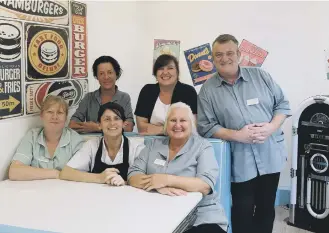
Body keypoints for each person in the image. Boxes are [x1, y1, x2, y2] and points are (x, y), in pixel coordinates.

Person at [197, 34, 291, 233]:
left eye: (230, 53)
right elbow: (206, 126)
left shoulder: (261, 76)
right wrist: (237, 135)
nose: (224, 58)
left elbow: (282, 105)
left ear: (239, 54)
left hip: (269, 155)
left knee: (266, 209)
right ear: (213, 59)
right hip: (238, 161)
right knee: (242, 210)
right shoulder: (207, 90)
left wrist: (271, 127)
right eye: (218, 55)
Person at [128, 102, 228, 233]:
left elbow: (204, 185)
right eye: (173, 120)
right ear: (166, 124)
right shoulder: (153, 145)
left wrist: (166, 180)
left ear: (191, 124)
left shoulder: (202, 146)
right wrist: (159, 187)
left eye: (183, 120)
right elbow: (133, 176)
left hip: (201, 218)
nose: (177, 125)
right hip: (159, 215)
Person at [60, 102, 144, 185]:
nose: (112, 123)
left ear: (124, 124)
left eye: (116, 118)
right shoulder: (91, 145)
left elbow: (145, 178)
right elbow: (66, 173)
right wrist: (99, 178)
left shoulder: (136, 147)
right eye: (107, 119)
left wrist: (125, 182)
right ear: (99, 125)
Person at [9, 96, 84, 181]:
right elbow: (14, 172)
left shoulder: (76, 140)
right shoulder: (32, 136)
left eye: (59, 113)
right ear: (41, 115)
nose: (54, 117)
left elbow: (80, 174)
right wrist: (56, 173)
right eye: (50, 112)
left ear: (66, 117)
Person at [134, 54, 197, 135]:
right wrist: (169, 130)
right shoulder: (147, 91)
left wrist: (155, 129)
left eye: (170, 68)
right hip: (151, 143)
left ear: (177, 72)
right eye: (160, 68)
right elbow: (142, 128)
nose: (165, 72)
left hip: (181, 143)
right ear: (155, 74)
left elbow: (192, 127)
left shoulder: (188, 92)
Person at [69, 55, 134, 133]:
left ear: (116, 74)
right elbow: (72, 125)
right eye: (101, 73)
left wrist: (98, 127)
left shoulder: (124, 97)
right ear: (97, 77)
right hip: (91, 143)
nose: (106, 77)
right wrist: (117, 126)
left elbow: (129, 127)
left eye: (110, 72)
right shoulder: (89, 98)